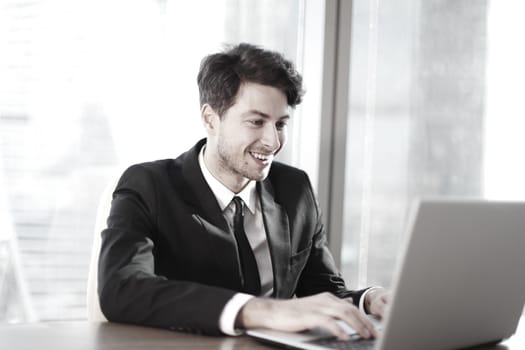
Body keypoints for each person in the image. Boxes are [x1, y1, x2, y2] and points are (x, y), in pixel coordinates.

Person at [98, 42, 389, 340]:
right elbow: (122, 288)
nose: (272, 141)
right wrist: (259, 311)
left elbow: (322, 293)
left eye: (280, 124)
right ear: (210, 119)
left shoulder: (294, 189)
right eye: (256, 122)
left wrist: (367, 301)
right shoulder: (149, 185)